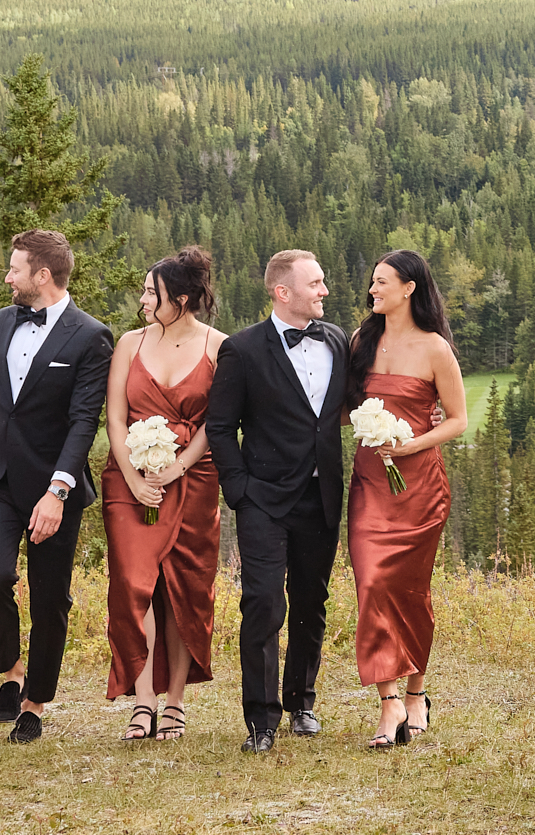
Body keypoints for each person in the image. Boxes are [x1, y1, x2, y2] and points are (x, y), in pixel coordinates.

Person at [0, 228, 115, 743]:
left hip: (54, 484)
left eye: (14, 268)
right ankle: (11, 670)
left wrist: (58, 491)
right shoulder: (3, 320)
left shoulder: (91, 335)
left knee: (51, 598)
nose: (7, 276)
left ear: (41, 276)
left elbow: (82, 421)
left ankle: (35, 702)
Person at [205, 248, 351, 754]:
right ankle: (261, 721)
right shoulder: (242, 350)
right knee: (263, 604)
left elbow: (348, 407)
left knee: (313, 602)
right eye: (315, 283)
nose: (325, 291)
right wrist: (240, 491)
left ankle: (301, 702)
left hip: (322, 496)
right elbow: (220, 427)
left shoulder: (336, 340)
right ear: (281, 291)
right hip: (263, 500)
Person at [342, 250, 468, 749]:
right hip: (371, 482)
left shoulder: (436, 348)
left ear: (410, 288)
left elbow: (457, 419)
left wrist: (411, 443)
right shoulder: (360, 342)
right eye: (372, 282)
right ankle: (388, 699)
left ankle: (417, 690)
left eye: (381, 282)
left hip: (420, 486)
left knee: (411, 590)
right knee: (372, 582)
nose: (373, 290)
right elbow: (348, 406)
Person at [102, 247, 227, 742]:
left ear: (180, 298)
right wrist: (133, 478)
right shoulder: (129, 344)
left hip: (194, 478)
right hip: (128, 480)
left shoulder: (218, 347)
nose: (142, 299)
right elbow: (114, 416)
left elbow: (217, 421)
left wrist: (177, 466)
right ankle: (142, 699)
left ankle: (173, 699)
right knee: (134, 585)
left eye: (151, 292)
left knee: (185, 591)